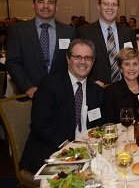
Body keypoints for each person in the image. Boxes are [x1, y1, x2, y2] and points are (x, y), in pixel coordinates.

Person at [20, 39, 105, 176]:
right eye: (78, 57)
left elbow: (98, 124)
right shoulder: (49, 85)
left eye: (87, 58)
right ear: (68, 59)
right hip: (52, 150)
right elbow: (39, 124)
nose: (83, 61)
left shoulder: (96, 91)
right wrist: (68, 145)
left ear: (93, 62)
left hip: (87, 152)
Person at [6, 0, 76, 98]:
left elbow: (73, 61)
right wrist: (27, 86)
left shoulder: (69, 32)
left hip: (61, 95)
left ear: (56, 7)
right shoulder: (18, 31)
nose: (46, 6)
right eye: (40, 2)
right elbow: (12, 63)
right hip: (29, 95)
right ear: (33, 5)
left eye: (50, 2)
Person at [77, 0, 136, 88]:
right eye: (106, 4)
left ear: (118, 8)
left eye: (114, 4)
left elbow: (134, 60)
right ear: (99, 7)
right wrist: (90, 82)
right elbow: (78, 62)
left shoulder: (128, 32)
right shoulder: (84, 32)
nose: (110, 7)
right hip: (96, 88)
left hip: (124, 88)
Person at [103, 47, 139, 123]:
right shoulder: (111, 91)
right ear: (120, 68)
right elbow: (109, 124)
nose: (131, 68)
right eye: (127, 64)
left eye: (135, 64)